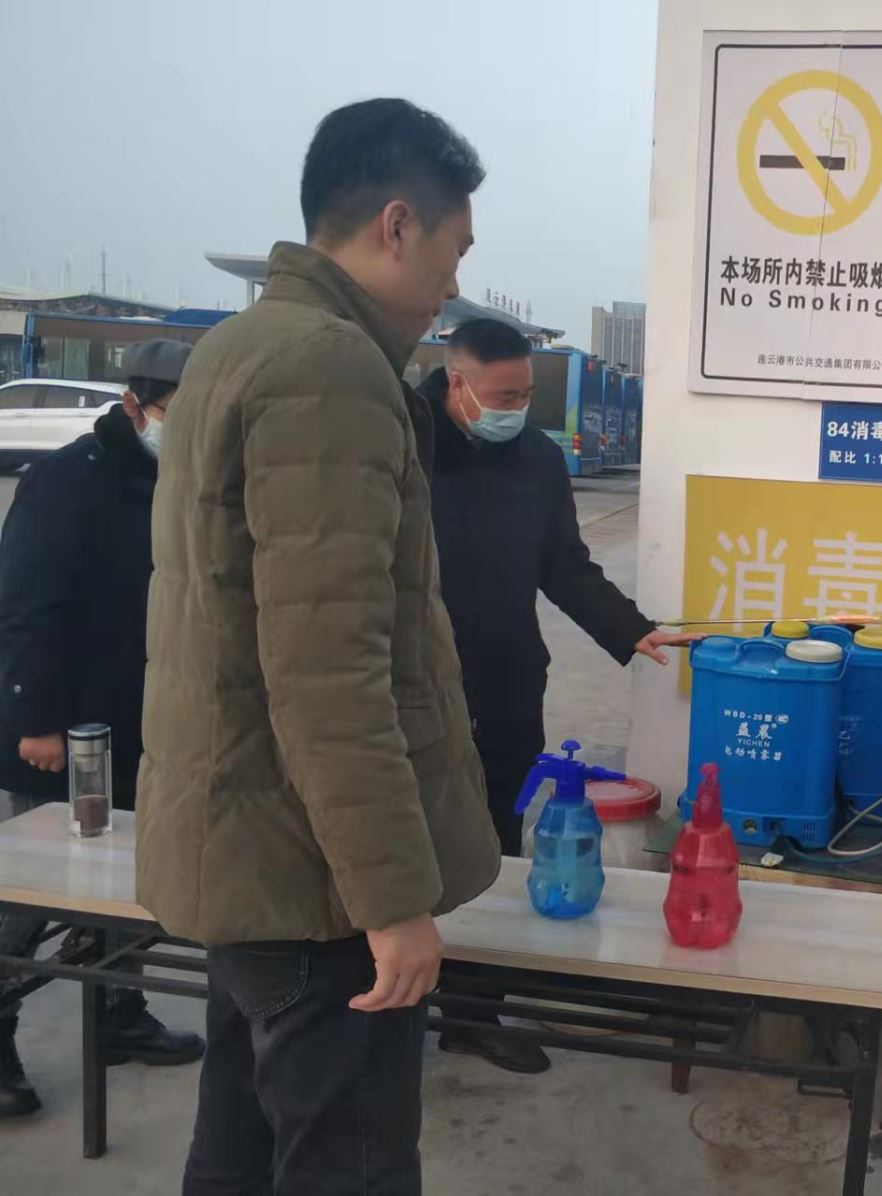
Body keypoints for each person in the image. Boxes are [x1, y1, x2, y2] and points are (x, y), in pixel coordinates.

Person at [137, 99, 502, 1195]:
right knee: (349, 1166)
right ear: (397, 224)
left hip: (252, 857)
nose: (452, 285)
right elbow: (327, 672)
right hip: (316, 886)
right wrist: (390, 901)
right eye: (454, 250)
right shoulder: (330, 369)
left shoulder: (237, 346)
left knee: (240, 1151)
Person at [418, 317, 694, 1074]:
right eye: (504, 395)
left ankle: (473, 1011)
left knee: (493, 845)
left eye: (526, 395)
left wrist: (631, 629)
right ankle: (384, 1002)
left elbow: (564, 565)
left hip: (506, 680)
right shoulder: (398, 447)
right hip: (410, 688)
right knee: (400, 845)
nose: (516, 408)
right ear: (457, 383)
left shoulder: (536, 459)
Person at [0, 339, 204, 1118]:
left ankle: (120, 1012)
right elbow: (26, 605)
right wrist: (36, 719)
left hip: (145, 718)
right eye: (176, 414)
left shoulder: (186, 481)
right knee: (38, 894)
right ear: (132, 405)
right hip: (64, 730)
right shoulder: (67, 479)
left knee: (133, 879)